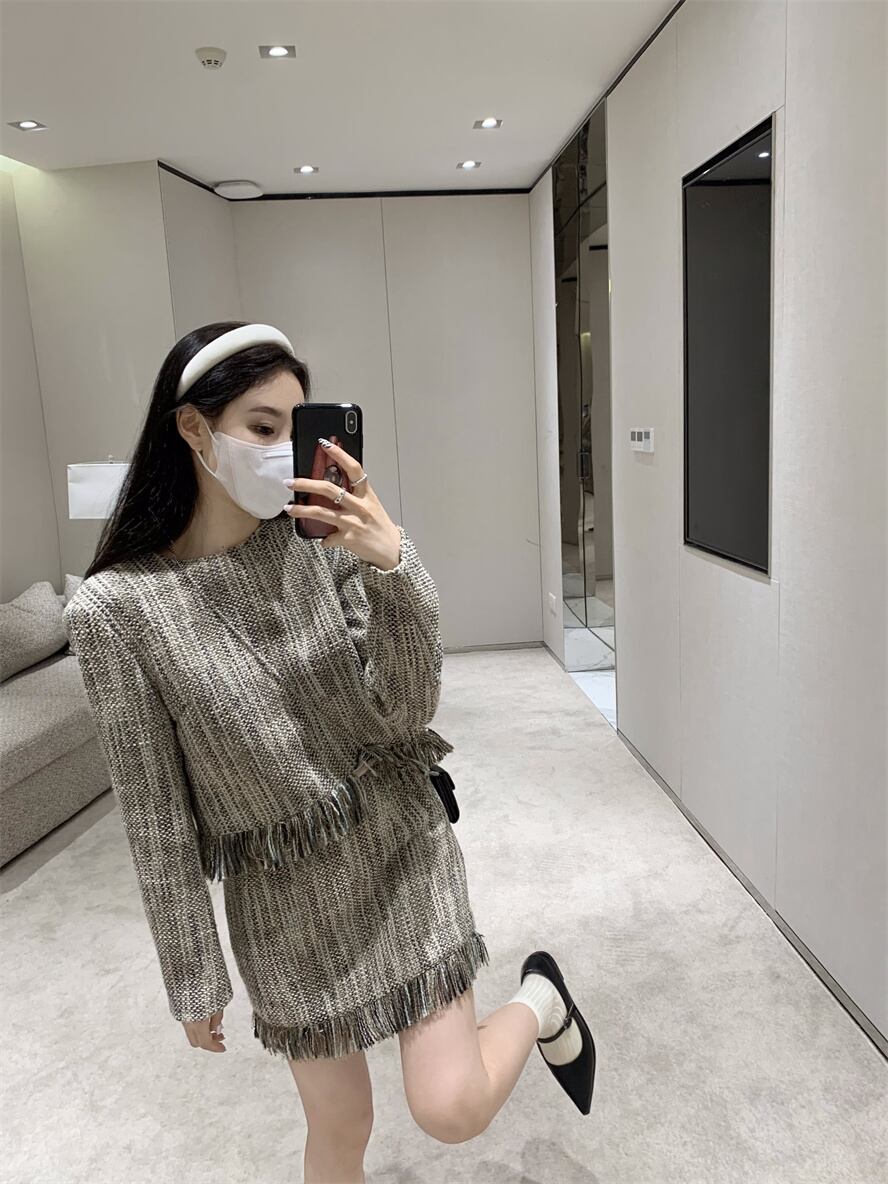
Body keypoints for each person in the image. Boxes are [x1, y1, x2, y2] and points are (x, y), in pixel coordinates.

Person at [63, 321, 595, 1182]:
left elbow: (403, 713)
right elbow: (155, 814)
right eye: (261, 426)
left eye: (296, 425)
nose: (283, 449)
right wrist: (192, 974)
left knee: (451, 1108)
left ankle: (540, 1001)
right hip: (282, 906)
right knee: (341, 1126)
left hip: (397, 848)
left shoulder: (319, 540)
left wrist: (393, 566)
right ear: (193, 429)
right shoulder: (115, 613)